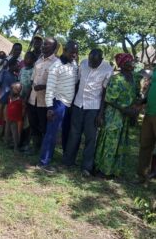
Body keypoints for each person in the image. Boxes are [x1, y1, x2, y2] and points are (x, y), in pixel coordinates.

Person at [62, 49, 113, 177]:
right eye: (90, 60)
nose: (91, 63)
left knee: (90, 137)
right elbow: (77, 82)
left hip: (94, 108)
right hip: (78, 104)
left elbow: (105, 93)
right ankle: (68, 161)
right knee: (74, 133)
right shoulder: (84, 63)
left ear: (101, 59)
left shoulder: (107, 69)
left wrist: (101, 113)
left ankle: (86, 166)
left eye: (94, 62)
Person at [95, 53, 141, 178]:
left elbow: (137, 95)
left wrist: (135, 109)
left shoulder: (135, 78)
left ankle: (114, 170)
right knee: (110, 142)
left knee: (120, 142)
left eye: (132, 62)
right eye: (128, 62)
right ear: (122, 65)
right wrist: (125, 110)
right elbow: (109, 99)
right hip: (114, 114)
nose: (132, 64)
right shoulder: (116, 79)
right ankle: (102, 169)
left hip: (126, 116)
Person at [37, 41, 79, 173]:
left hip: (69, 104)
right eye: (72, 51)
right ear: (65, 50)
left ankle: (66, 160)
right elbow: (50, 88)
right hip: (58, 103)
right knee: (52, 134)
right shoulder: (56, 66)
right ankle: (43, 162)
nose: (74, 54)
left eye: (76, 52)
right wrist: (50, 107)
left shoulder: (74, 64)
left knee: (67, 132)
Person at [27, 37, 59, 152]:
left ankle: (44, 150)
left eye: (47, 45)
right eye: (43, 44)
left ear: (54, 48)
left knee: (44, 126)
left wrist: (44, 86)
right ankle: (35, 146)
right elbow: (33, 78)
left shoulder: (57, 63)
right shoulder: (39, 60)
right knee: (33, 123)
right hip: (33, 98)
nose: (43, 46)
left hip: (45, 101)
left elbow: (58, 84)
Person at [0, 58, 19, 140]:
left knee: (6, 119)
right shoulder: (4, 72)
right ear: (11, 65)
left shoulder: (15, 77)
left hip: (8, 101)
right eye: (16, 65)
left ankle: (3, 136)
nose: (18, 67)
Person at [138, 66, 156, 181]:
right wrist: (144, 100)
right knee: (145, 144)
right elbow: (151, 85)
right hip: (149, 112)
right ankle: (142, 175)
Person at [5, 82, 24, 155]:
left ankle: (16, 147)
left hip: (15, 119)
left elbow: (23, 109)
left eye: (14, 89)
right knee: (7, 131)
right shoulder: (10, 97)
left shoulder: (20, 99)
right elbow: (8, 107)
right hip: (9, 117)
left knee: (15, 132)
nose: (12, 90)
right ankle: (7, 143)